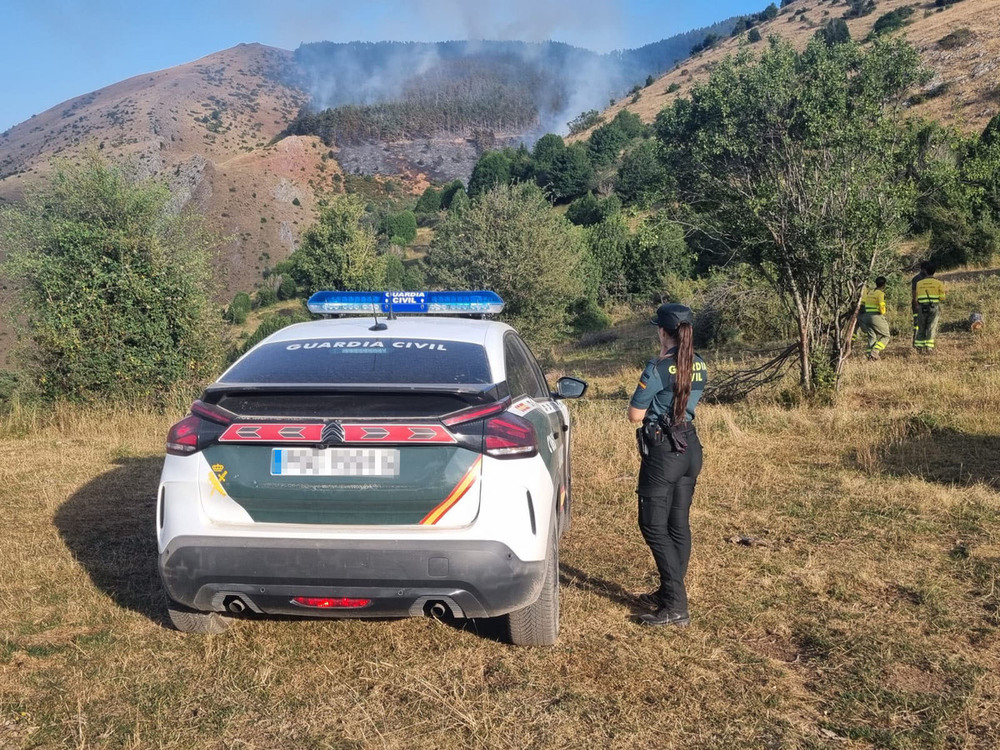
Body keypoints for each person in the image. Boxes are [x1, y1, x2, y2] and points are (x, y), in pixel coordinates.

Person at [627, 303, 707, 627]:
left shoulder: (657, 367)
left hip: (664, 453)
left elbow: (635, 414)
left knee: (652, 526)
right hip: (690, 448)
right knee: (678, 526)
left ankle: (676, 605)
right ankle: (668, 594)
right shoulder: (700, 364)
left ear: (663, 331)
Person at [914, 263, 946, 354]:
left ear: (925, 271)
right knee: (931, 327)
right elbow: (942, 297)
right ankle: (929, 348)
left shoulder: (919, 283)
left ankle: (919, 347)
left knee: (921, 326)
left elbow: (916, 297)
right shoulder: (939, 283)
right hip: (933, 307)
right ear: (934, 272)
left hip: (922, 307)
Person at [858, 276, 890, 360]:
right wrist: (883, 313)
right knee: (886, 335)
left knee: (872, 336)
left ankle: (869, 355)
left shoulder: (871, 292)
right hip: (875, 316)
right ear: (884, 285)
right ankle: (875, 351)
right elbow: (881, 305)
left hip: (866, 316)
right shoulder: (880, 293)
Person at [911, 261, 929, 347]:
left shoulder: (915, 278)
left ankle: (917, 343)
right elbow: (914, 292)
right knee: (919, 324)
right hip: (920, 304)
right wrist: (915, 302)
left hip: (918, 303)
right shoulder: (921, 278)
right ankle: (918, 343)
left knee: (919, 324)